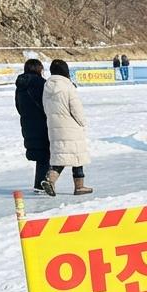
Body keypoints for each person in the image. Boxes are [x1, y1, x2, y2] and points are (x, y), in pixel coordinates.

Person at [41, 59, 92, 196]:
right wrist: (82, 122)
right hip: (71, 126)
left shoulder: (47, 87)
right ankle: (79, 186)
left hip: (54, 126)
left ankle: (50, 180)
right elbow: (76, 108)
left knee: (62, 155)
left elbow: (45, 107)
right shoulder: (68, 86)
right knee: (77, 156)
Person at [14, 56, 50, 194]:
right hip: (42, 122)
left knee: (40, 153)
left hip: (27, 123)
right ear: (38, 69)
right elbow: (46, 103)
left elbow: (18, 105)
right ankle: (42, 184)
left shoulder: (20, 86)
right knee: (45, 153)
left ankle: (39, 183)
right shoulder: (41, 83)